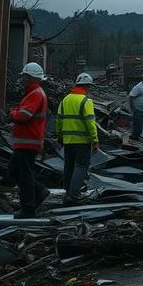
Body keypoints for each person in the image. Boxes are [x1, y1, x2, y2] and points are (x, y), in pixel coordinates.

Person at [8, 62, 50, 218]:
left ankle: (28, 209)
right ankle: (40, 191)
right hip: (27, 141)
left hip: (28, 141)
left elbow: (23, 116)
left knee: (23, 174)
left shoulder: (35, 94)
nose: (22, 79)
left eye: (24, 76)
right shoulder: (34, 93)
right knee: (16, 172)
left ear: (31, 78)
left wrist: (12, 113)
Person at [57, 72, 99, 204]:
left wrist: (60, 136)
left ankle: (67, 191)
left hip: (68, 140)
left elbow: (59, 121)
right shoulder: (86, 101)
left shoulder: (65, 100)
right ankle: (73, 194)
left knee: (69, 166)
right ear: (87, 86)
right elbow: (90, 123)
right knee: (81, 166)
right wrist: (95, 139)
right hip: (82, 141)